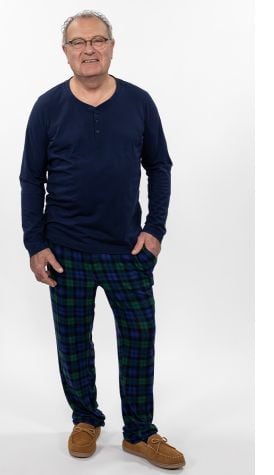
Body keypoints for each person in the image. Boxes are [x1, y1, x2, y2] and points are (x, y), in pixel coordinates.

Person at [19, 10, 185, 469]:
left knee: (139, 337)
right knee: (73, 341)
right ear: (65, 52)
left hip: (126, 249)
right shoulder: (47, 107)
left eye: (98, 40)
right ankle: (86, 420)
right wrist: (35, 243)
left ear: (112, 46)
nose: (88, 49)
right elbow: (32, 178)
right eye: (78, 42)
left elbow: (160, 166)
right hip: (64, 250)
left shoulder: (139, 102)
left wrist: (155, 230)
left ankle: (139, 432)